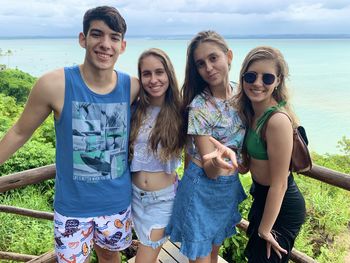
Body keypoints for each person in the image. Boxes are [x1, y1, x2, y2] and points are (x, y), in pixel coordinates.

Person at [0, 6, 139, 263]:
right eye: (97, 34)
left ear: (123, 46)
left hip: (117, 203)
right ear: (82, 39)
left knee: (111, 257)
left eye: (114, 37)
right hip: (73, 208)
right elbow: (20, 131)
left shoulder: (132, 86)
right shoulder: (55, 84)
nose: (105, 44)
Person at [203, 46, 306, 262]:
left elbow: (280, 184)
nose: (257, 83)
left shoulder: (277, 120)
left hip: (281, 204)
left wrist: (265, 229)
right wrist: (228, 157)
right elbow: (250, 166)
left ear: (278, 81)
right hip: (261, 196)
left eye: (267, 78)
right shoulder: (251, 112)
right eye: (251, 76)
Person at [165, 30, 247, 263]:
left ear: (228, 56)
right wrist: (221, 159)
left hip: (227, 189)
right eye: (201, 64)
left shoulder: (242, 95)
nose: (208, 67)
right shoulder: (200, 107)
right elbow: (210, 168)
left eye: (213, 58)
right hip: (201, 189)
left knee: (214, 254)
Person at [128, 48, 184, 263]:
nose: (153, 79)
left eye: (159, 72)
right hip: (132, 196)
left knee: (144, 258)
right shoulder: (135, 109)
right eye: (147, 74)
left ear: (169, 74)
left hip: (162, 201)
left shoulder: (181, 111)